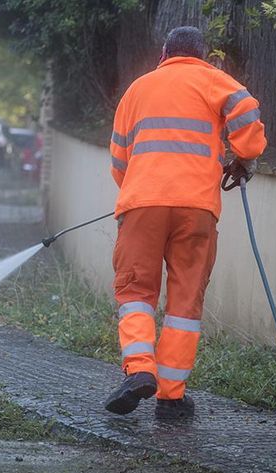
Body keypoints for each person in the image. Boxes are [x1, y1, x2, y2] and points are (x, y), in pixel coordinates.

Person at [105, 26, 267, 419]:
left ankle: (139, 370)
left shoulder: (137, 89)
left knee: (136, 291)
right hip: (197, 209)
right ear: (202, 55)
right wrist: (245, 155)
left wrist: (140, 189)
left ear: (164, 54)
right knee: (184, 301)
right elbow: (247, 109)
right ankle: (171, 397)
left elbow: (118, 158)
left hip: (143, 204)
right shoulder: (214, 80)